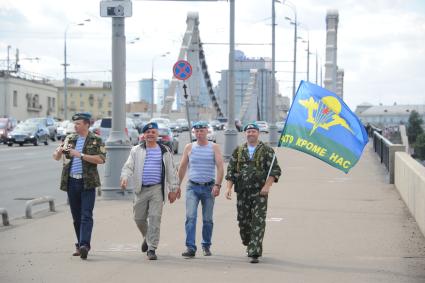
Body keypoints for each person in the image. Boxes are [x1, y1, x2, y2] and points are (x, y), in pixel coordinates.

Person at [120, 122, 179, 260]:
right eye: (148, 132)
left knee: (154, 218)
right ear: (144, 135)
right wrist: (124, 177)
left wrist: (173, 189)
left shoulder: (164, 150)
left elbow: (171, 171)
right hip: (141, 190)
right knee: (138, 218)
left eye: (153, 132)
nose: (150, 134)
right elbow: (128, 166)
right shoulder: (136, 150)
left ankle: (152, 248)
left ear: (157, 134)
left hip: (157, 190)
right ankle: (147, 237)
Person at [225, 122, 281, 263]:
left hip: (259, 193)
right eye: (248, 132)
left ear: (258, 133)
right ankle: (248, 242)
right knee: (243, 222)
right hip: (242, 193)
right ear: (245, 134)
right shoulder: (238, 151)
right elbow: (231, 171)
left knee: (258, 221)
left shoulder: (267, 150)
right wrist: (228, 188)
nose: (251, 134)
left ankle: (254, 251)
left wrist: (267, 186)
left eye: (253, 131)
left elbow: (275, 170)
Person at [52, 112, 106, 260]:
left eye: (78, 123)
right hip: (71, 182)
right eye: (74, 123)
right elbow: (57, 157)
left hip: (87, 182)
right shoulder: (70, 138)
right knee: (76, 217)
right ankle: (79, 244)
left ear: (87, 124)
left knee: (86, 215)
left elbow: (101, 159)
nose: (75, 126)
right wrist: (58, 152)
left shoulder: (96, 139)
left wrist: (80, 155)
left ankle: (84, 245)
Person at [178, 121, 224, 258]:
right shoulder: (189, 147)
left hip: (209, 187)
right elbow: (182, 168)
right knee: (190, 217)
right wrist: (177, 186)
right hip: (192, 187)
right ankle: (190, 247)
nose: (199, 133)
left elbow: (220, 167)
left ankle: (206, 245)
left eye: (202, 131)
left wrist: (218, 185)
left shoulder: (214, 147)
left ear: (207, 131)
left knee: (207, 219)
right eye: (196, 131)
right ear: (194, 132)